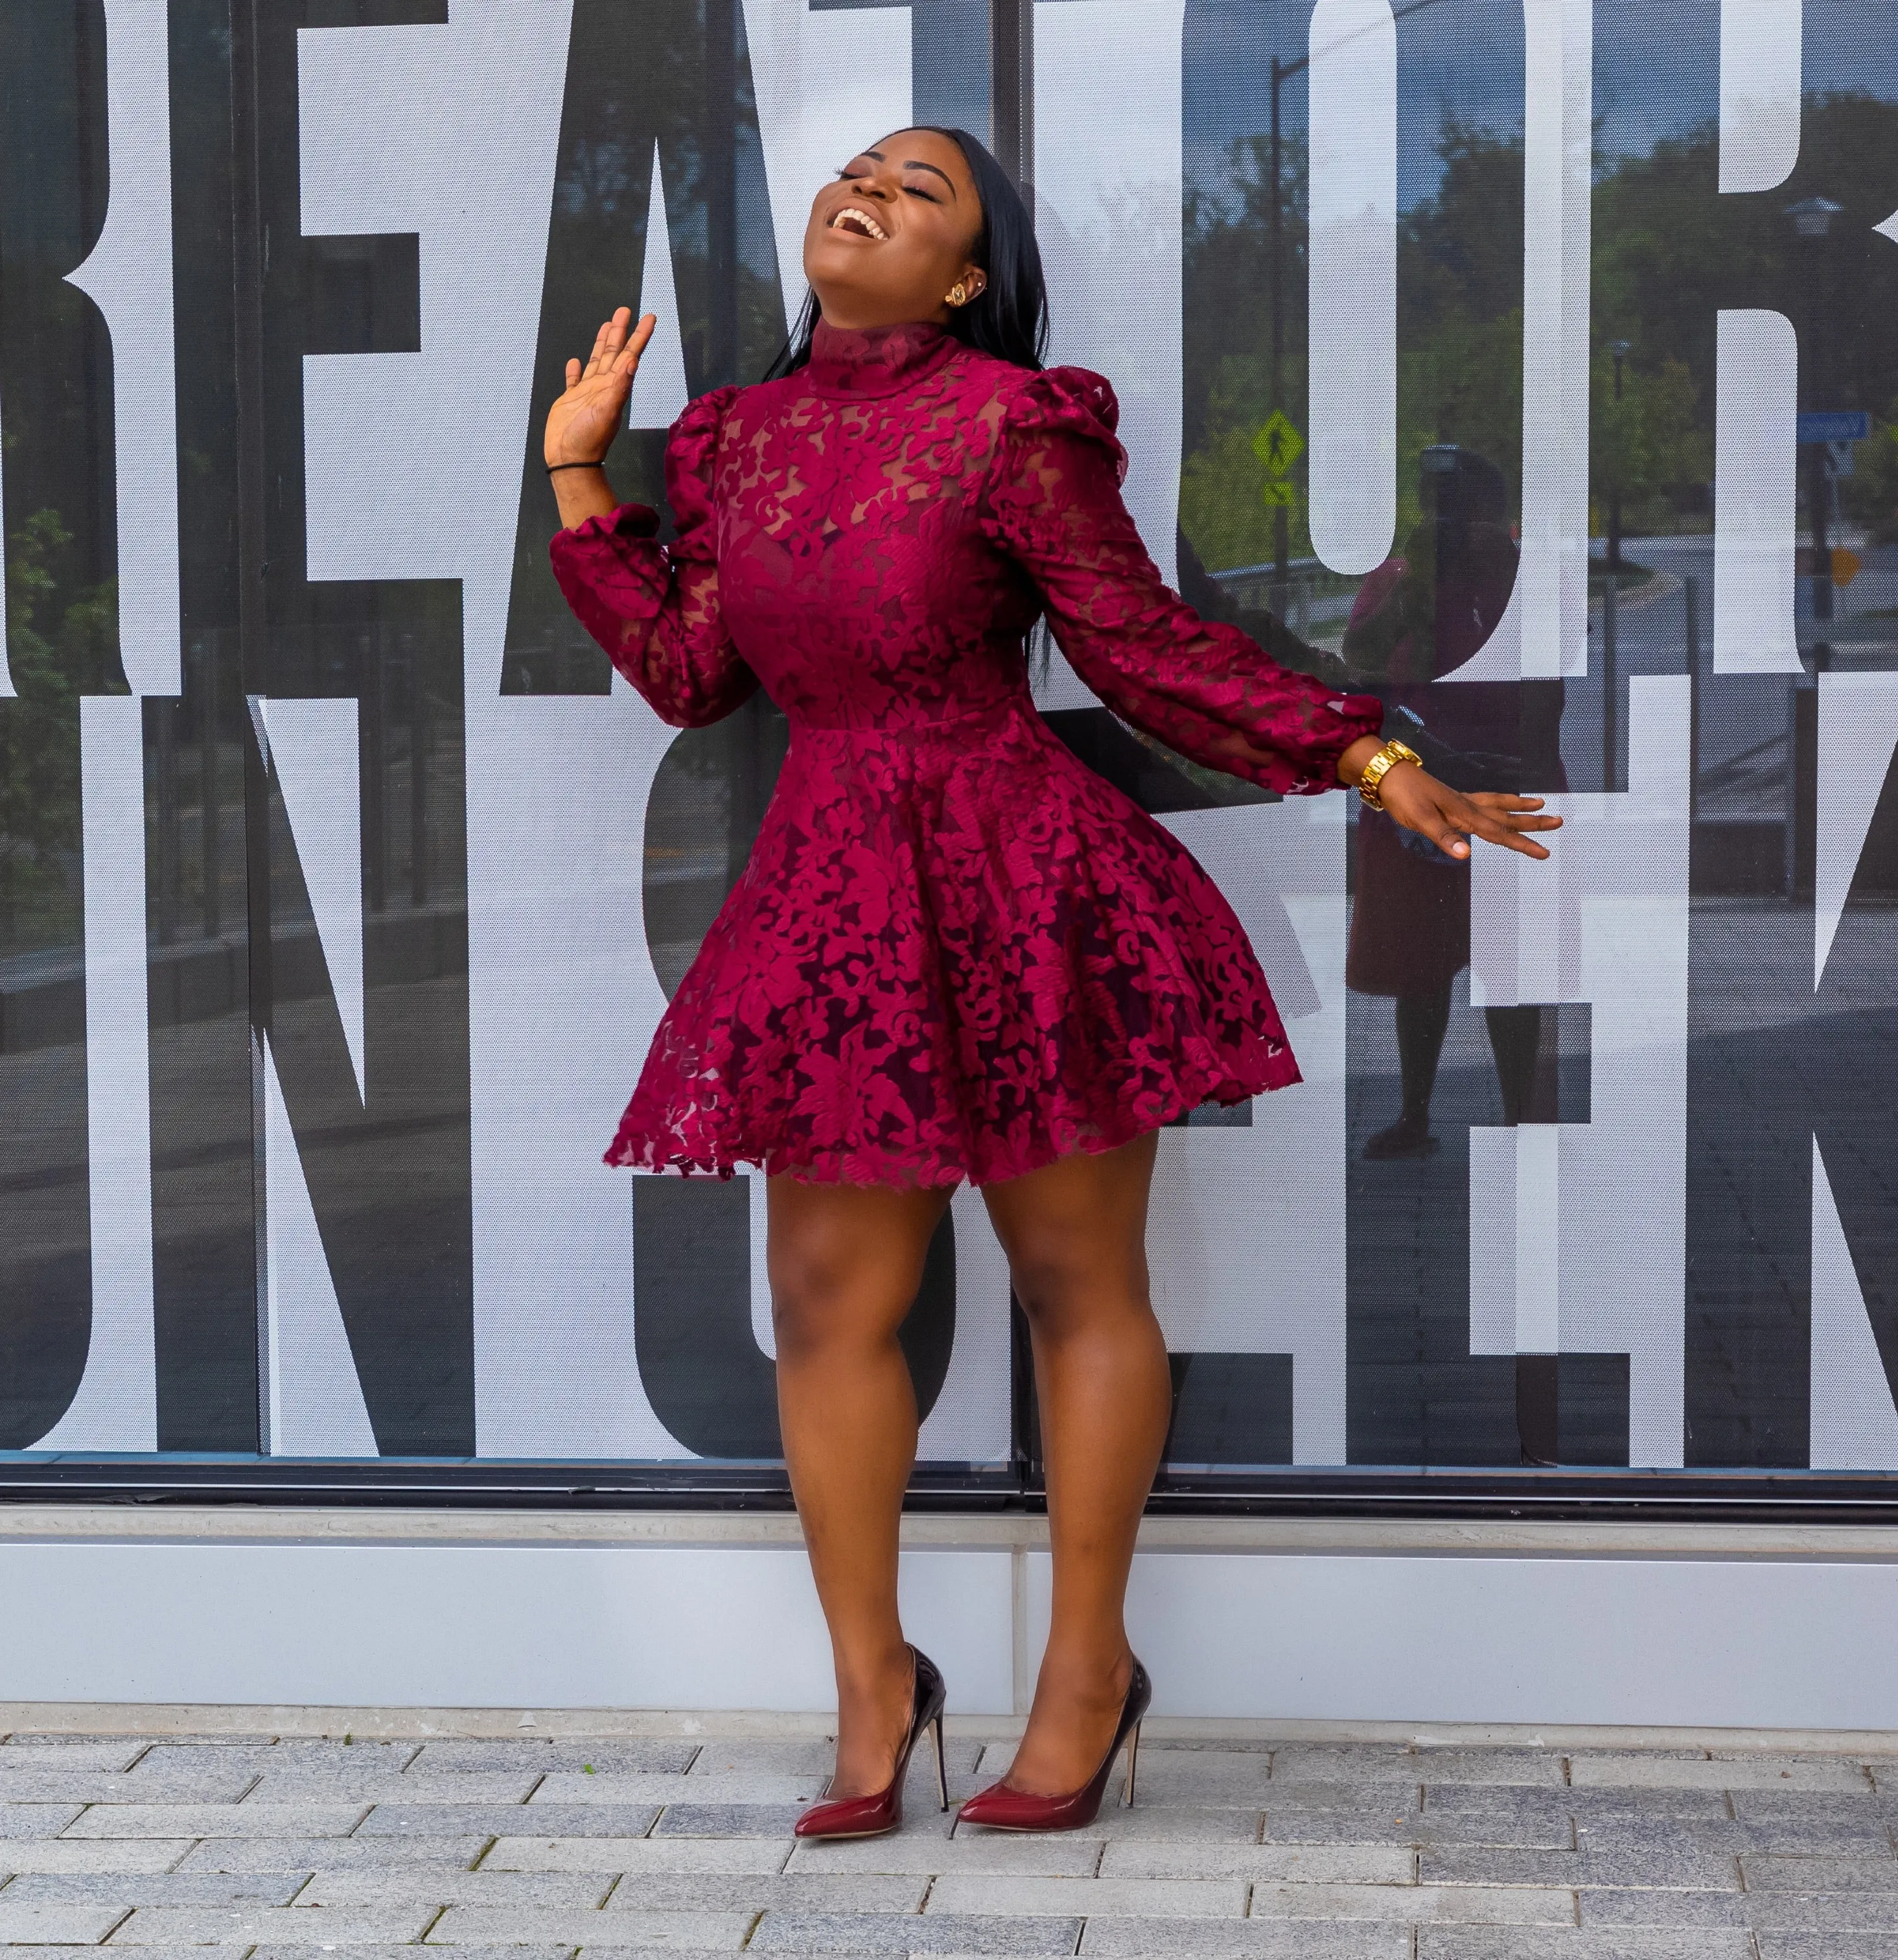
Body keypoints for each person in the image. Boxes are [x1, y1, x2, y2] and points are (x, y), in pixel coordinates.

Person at [541, 126, 1560, 1838]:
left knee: (1077, 1286)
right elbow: (693, 675)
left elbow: (1141, 650)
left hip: (1024, 888)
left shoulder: (1016, 424)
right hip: (836, 900)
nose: (870, 185)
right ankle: (877, 1691)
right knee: (821, 1307)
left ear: (965, 279)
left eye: (923, 190)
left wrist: (1370, 757)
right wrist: (584, 477)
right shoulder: (735, 439)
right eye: (860, 166)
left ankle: (1087, 1670)